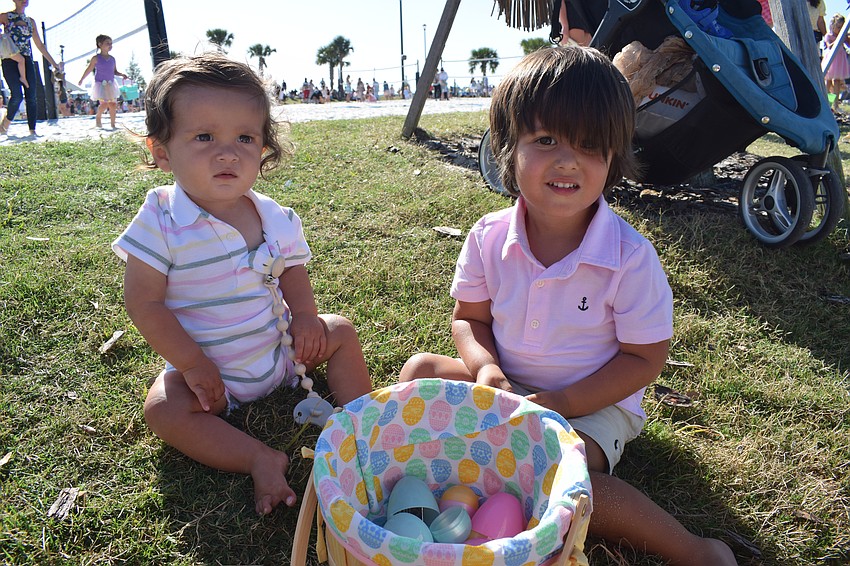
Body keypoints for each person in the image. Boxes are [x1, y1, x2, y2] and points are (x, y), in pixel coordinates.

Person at [398, 46, 736, 566]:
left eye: (589, 146)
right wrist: (487, 369)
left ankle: (693, 550)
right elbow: (469, 318)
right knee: (421, 369)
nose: (566, 161)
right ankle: (413, 493)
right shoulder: (488, 238)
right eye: (546, 139)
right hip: (508, 383)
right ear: (507, 149)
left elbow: (645, 359)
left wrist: (564, 403)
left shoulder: (627, 258)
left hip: (594, 405)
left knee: (559, 471)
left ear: (614, 159)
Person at [112, 53, 372, 515]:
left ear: (264, 148)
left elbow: (291, 267)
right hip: (213, 379)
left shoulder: (273, 215)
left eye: (245, 137)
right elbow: (143, 302)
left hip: (281, 352)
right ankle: (257, 457)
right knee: (163, 409)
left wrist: (307, 317)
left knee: (342, 331)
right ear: (161, 150)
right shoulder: (160, 219)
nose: (228, 152)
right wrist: (191, 364)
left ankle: (366, 421)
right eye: (205, 136)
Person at [0, 0, 63, 136]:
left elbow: (39, 45)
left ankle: (32, 130)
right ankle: (6, 123)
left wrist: (53, 63)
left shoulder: (30, 21)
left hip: (27, 60)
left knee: (31, 96)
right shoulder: (5, 16)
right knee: (16, 95)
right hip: (9, 59)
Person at [78, 34, 128, 129]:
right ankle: (98, 116)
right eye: (107, 43)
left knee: (113, 104)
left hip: (111, 84)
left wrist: (122, 75)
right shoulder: (96, 58)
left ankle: (113, 124)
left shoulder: (112, 59)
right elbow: (89, 69)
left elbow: (114, 71)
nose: (110, 45)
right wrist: (82, 79)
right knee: (104, 104)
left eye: (111, 43)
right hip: (101, 84)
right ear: (100, 44)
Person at [824, 13, 850, 113]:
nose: (839, 30)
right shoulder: (829, 36)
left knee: (837, 82)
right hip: (832, 61)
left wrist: (846, 37)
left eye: (842, 28)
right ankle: (828, 104)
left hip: (841, 62)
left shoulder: (843, 36)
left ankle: (835, 105)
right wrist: (839, 39)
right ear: (833, 25)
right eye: (838, 27)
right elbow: (829, 46)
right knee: (829, 82)